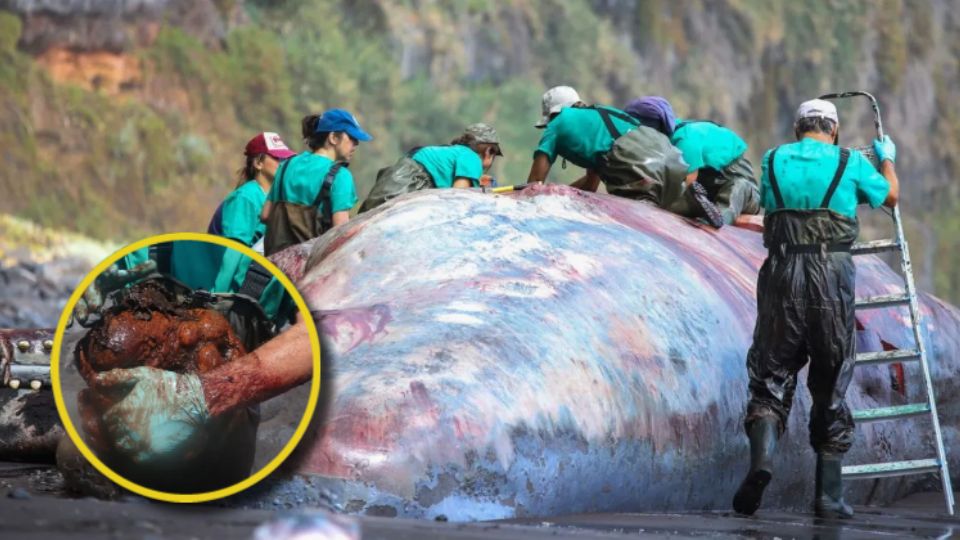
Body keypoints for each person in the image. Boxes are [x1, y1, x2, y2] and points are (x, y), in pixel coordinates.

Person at [732, 98, 899, 519]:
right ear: (834, 130)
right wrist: (886, 160)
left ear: (797, 129)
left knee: (770, 375)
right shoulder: (849, 162)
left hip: (782, 272)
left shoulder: (771, 161)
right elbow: (891, 197)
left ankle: (762, 464)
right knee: (830, 378)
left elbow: (769, 205)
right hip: (831, 275)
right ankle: (828, 496)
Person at [525, 86, 697, 218]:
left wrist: (529, 201)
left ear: (554, 113)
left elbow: (534, 185)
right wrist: (560, 193)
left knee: (639, 208)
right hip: (668, 154)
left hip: (637, 162)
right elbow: (590, 185)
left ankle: (664, 201)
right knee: (668, 201)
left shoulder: (558, 123)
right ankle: (688, 200)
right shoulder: (601, 118)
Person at [624, 96, 761, 225]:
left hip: (742, 191)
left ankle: (717, 220)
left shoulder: (685, 139)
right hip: (707, 191)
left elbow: (689, 182)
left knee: (736, 189)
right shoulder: (669, 143)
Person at [261, 109, 372, 256]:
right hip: (308, 272)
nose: (356, 143)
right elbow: (341, 235)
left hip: (273, 265)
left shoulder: (287, 165)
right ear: (333, 138)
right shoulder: (340, 176)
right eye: (352, 137)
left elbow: (265, 215)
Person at [208, 132, 295, 295]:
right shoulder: (246, 198)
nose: (283, 164)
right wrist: (218, 295)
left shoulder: (270, 199)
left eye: (285, 159)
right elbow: (233, 251)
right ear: (258, 163)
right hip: (231, 288)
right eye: (277, 159)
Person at [360, 123, 503, 211]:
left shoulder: (451, 151)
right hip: (406, 187)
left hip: (390, 183)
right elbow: (458, 199)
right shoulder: (472, 158)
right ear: (488, 151)